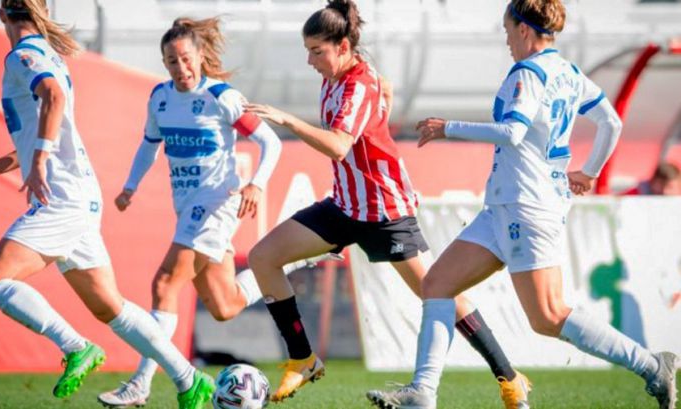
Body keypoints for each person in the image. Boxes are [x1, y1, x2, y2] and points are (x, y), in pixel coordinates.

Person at [366, 1, 679, 408]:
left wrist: (448, 128)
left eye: (508, 29)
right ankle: (422, 393)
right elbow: (611, 122)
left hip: (527, 207)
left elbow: (513, 132)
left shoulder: (527, 73)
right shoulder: (567, 72)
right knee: (437, 284)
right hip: (506, 206)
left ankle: (653, 366)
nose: (507, 39)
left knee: (547, 316)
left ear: (525, 30)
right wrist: (590, 171)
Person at [245, 0, 531, 406]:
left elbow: (340, 145)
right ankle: (302, 358)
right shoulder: (341, 75)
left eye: (316, 51)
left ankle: (510, 377)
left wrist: (287, 120)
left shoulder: (358, 82)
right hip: (345, 207)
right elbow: (388, 90)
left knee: (439, 293)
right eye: (307, 50)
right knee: (263, 257)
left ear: (343, 47)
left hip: (384, 212)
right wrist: (379, 122)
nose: (309, 61)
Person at [0, 2, 214, 408]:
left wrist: (39, 159)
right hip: (78, 196)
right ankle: (188, 379)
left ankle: (76, 347)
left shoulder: (23, 55)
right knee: (111, 307)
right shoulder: (45, 55)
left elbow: (53, 99)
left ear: (2, 13)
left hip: (62, 198)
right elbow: (43, 128)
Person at [95, 17, 318, 408]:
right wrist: (131, 185)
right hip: (188, 210)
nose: (180, 69)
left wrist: (256, 184)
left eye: (184, 59)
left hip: (216, 204)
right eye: (171, 62)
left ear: (200, 56)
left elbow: (270, 143)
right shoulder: (160, 98)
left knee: (165, 284)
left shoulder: (222, 97)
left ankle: (141, 383)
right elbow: (149, 145)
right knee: (224, 305)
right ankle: (302, 260)